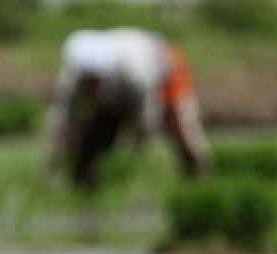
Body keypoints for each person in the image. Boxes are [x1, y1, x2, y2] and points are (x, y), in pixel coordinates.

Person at [45, 28, 210, 192]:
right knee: (89, 134)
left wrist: (131, 149)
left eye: (94, 81)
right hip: (121, 89)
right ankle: (86, 182)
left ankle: (198, 174)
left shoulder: (134, 73)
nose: (89, 87)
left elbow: (148, 117)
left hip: (164, 67)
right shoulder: (70, 78)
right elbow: (61, 121)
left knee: (180, 127)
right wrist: (50, 167)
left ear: (104, 73)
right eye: (85, 82)